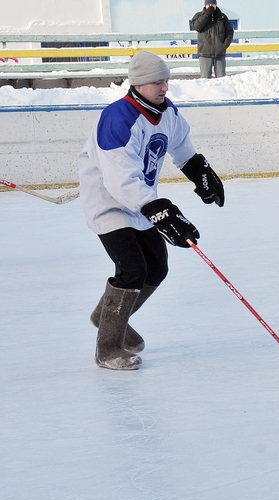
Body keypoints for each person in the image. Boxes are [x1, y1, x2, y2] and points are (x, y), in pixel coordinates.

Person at [78, 50, 225, 371]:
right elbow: (118, 179)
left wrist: (199, 171)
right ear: (139, 83)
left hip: (142, 199)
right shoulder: (118, 117)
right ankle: (108, 347)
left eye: (166, 80)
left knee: (156, 269)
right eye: (157, 82)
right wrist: (160, 209)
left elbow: (181, 144)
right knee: (132, 270)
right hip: (109, 202)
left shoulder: (166, 112)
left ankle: (106, 316)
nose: (165, 87)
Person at [190, 0, 234, 79]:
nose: (210, 6)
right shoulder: (199, 15)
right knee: (205, 80)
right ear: (205, 5)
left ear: (216, 5)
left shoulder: (222, 17)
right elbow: (197, 27)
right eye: (208, 4)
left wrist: (224, 45)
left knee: (222, 79)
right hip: (204, 53)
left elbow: (230, 32)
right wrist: (207, 14)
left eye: (212, 4)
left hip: (219, 54)